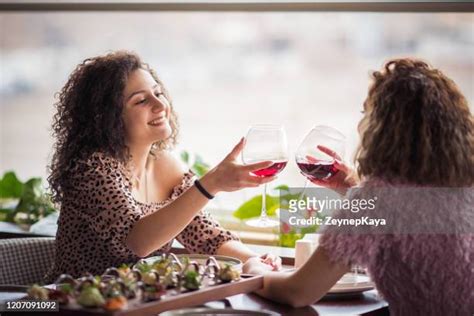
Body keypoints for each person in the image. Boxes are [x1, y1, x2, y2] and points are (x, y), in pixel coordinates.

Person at [243, 58, 474, 315]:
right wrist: (354, 187)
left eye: (366, 114)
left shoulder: (378, 199)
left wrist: (255, 271)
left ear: (383, 129)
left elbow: (298, 292)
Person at [46, 50, 281, 281]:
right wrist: (212, 183)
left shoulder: (166, 167)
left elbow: (208, 237)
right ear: (107, 117)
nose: (160, 105)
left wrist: (253, 260)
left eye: (158, 93)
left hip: (138, 303)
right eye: (141, 101)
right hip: (72, 303)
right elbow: (138, 241)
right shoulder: (91, 169)